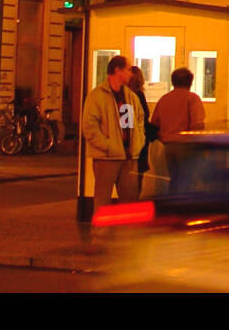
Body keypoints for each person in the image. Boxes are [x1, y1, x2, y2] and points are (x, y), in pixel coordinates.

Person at [82, 56, 145, 213]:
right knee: (103, 200)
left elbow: (132, 124)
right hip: (106, 158)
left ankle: (127, 236)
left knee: (129, 201)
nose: (131, 73)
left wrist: (136, 143)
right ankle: (101, 236)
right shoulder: (97, 96)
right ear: (117, 70)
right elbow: (90, 127)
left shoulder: (128, 96)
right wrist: (109, 146)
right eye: (128, 69)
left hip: (128, 157)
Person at [150, 67, 206, 192]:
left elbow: (154, 124)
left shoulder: (164, 99)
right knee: (187, 180)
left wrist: (164, 137)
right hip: (187, 146)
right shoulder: (192, 99)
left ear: (173, 82)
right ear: (190, 82)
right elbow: (197, 124)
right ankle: (183, 208)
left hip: (168, 147)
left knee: (174, 179)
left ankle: (173, 204)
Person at [127, 66, 155, 194]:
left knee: (130, 180)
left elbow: (127, 122)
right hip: (138, 144)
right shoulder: (138, 95)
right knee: (136, 181)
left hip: (131, 143)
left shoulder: (126, 96)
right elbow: (143, 119)